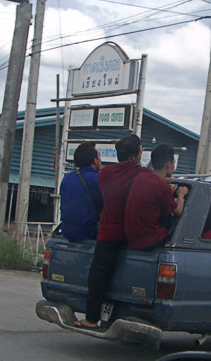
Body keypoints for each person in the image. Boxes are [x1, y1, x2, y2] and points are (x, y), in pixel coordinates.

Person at [75, 134, 145, 329]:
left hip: (108, 232)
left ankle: (91, 318)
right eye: (140, 149)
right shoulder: (142, 175)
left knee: (98, 275)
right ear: (135, 155)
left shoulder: (106, 174)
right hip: (133, 234)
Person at [124, 145, 188, 250]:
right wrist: (181, 194)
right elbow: (178, 211)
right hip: (149, 241)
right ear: (167, 165)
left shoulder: (140, 177)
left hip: (132, 239)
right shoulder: (162, 188)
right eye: (173, 163)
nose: (174, 166)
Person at [59, 142, 102, 241]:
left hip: (66, 230)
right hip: (89, 232)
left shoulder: (67, 178)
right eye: (99, 157)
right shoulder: (98, 179)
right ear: (95, 161)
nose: (100, 160)